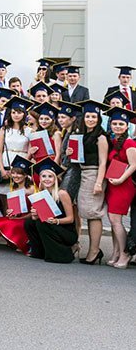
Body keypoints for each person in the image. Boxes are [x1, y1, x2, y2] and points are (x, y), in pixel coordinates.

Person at [25, 159, 78, 263]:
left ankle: (63, 254)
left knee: (42, 224)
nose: (47, 179)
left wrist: (56, 221)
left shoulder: (62, 193)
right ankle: (40, 252)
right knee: (29, 223)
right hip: (51, 225)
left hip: (66, 231)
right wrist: (35, 214)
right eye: (44, 176)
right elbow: (36, 218)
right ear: (40, 178)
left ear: (55, 179)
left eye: (50, 176)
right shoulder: (41, 193)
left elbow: (71, 219)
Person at [76, 100, 109, 264]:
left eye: (93, 117)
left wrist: (98, 182)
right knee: (88, 213)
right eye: (88, 116)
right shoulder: (84, 134)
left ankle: (94, 251)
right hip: (85, 173)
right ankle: (93, 250)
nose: (90, 119)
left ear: (98, 118)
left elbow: (103, 162)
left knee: (93, 213)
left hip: (94, 174)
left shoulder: (101, 137)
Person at [103, 106, 136, 268]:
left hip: (124, 185)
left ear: (126, 126)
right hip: (113, 184)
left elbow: (133, 165)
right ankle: (116, 252)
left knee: (116, 220)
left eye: (121, 124)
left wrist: (121, 179)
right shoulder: (114, 141)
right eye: (114, 123)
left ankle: (124, 254)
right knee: (113, 220)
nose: (117, 126)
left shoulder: (129, 142)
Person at [0, 156, 35, 255]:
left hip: (29, 218)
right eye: (13, 173)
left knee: (14, 224)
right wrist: (10, 212)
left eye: (19, 173)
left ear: (26, 175)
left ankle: (23, 243)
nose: (15, 176)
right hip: (18, 216)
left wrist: (22, 217)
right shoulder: (13, 188)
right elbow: (13, 208)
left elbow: (35, 210)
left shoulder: (32, 189)